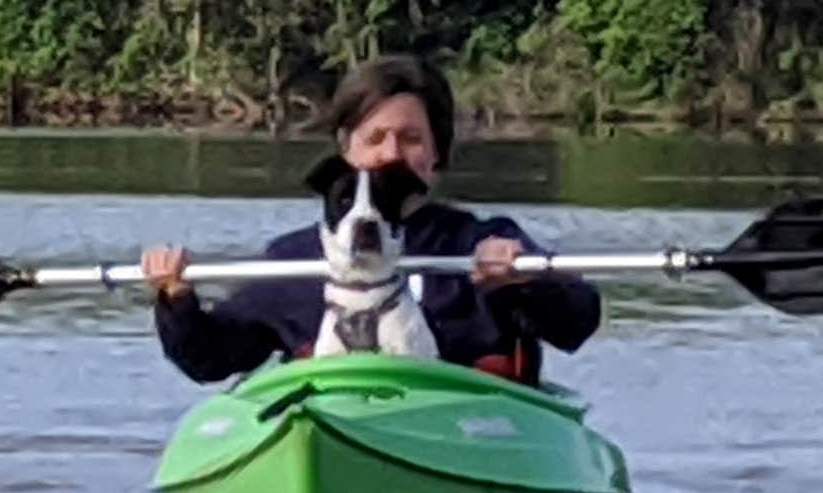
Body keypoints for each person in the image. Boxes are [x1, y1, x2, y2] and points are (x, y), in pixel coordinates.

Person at [142, 54, 601, 384]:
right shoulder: (295, 259)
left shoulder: (485, 242)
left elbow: (578, 320)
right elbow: (210, 359)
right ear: (347, 148)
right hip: (334, 418)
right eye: (376, 137)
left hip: (466, 421)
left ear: (437, 152)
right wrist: (175, 298)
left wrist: (524, 280)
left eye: (411, 139)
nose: (390, 155)